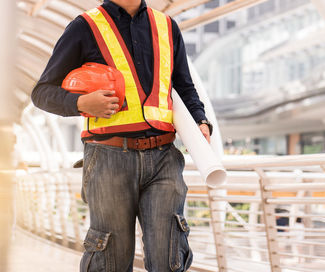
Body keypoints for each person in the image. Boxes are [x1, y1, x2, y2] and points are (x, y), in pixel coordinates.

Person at [31, 0, 213, 271]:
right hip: (108, 158)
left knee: (169, 258)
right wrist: (81, 103)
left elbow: (184, 87)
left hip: (164, 158)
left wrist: (201, 121)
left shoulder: (166, 26)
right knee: (110, 260)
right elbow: (42, 92)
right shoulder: (85, 27)